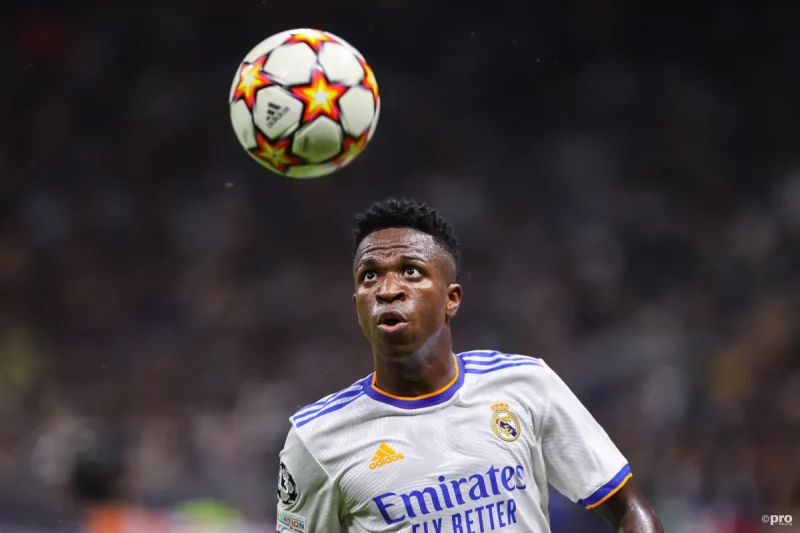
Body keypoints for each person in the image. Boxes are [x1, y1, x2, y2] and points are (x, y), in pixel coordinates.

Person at [276, 198, 664, 533]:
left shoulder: (526, 384)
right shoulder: (316, 439)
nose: (388, 290)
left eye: (411, 271)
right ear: (357, 304)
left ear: (452, 299)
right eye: (369, 276)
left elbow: (629, 509)